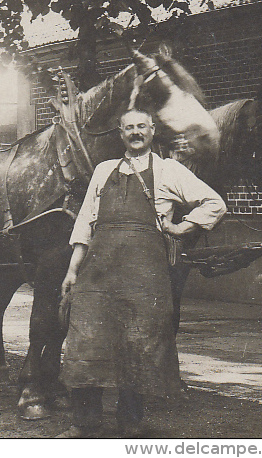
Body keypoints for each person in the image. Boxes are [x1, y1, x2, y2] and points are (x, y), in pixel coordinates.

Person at [57, 109, 226, 438]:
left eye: (141, 127)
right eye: (128, 127)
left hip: (143, 277)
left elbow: (214, 203)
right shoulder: (104, 171)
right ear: (120, 133)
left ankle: (130, 423)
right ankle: (84, 423)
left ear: (152, 131)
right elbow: (85, 223)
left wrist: (180, 226)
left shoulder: (168, 170)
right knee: (85, 342)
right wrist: (72, 270)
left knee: (138, 346)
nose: (135, 132)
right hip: (97, 275)